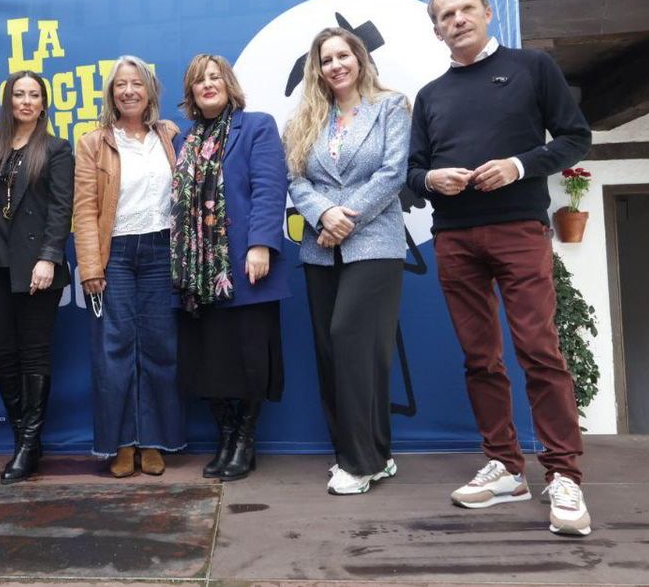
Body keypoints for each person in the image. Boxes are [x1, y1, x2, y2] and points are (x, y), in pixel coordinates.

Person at [407, 0, 593, 536]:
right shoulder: (430, 96)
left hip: (518, 229)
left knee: (539, 350)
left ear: (487, 13)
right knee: (479, 357)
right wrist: (431, 177)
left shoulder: (533, 67)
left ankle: (564, 475)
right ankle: (507, 468)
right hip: (456, 238)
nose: (457, 20)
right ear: (436, 30)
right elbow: (411, 173)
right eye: (446, 15)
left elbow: (574, 138)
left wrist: (518, 165)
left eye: (466, 9)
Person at [283, 27, 410, 495]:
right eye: (326, 58)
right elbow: (296, 181)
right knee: (332, 352)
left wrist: (346, 218)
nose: (335, 65)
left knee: (355, 342)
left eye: (343, 55)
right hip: (320, 248)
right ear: (316, 68)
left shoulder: (391, 107)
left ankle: (360, 464)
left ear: (359, 58)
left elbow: (393, 171)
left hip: (373, 243)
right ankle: (370, 454)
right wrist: (323, 214)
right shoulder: (304, 120)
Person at [174, 54, 290, 482]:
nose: (208, 85)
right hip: (197, 274)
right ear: (190, 92)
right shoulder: (182, 141)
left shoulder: (256, 126)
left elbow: (269, 187)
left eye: (215, 77)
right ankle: (225, 437)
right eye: (199, 80)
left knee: (248, 358)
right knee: (210, 360)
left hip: (244, 267)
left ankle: (245, 440)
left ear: (229, 84)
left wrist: (261, 245)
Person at [72, 55, 186, 477]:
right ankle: (122, 444)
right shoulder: (93, 142)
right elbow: (84, 210)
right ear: (111, 94)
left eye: (137, 83)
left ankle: (154, 441)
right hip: (115, 255)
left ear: (150, 90)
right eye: (121, 85)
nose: (129, 91)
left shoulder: (168, 136)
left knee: (160, 347)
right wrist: (90, 267)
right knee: (113, 351)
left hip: (161, 252)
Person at [0, 71, 74, 484]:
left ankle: (29, 446)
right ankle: (23, 441)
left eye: (34, 94)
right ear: (8, 101)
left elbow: (60, 209)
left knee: (34, 354)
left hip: (36, 269)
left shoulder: (56, 149)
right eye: (19, 94)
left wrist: (49, 257)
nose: (27, 101)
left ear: (44, 104)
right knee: (2, 355)